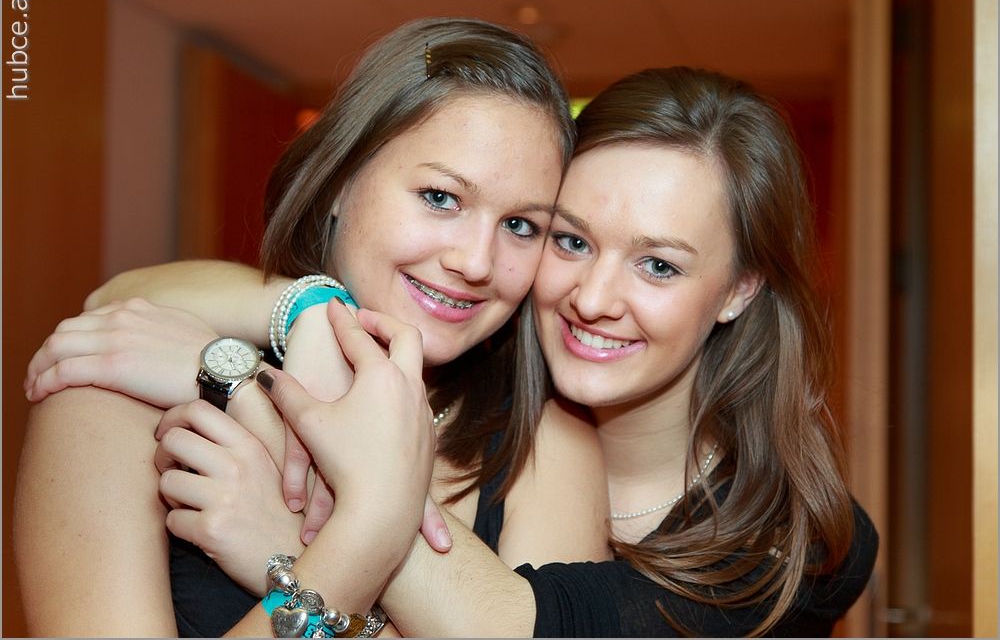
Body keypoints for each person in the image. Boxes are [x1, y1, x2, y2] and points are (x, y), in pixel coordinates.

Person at [90, 66, 877, 637]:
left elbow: (514, 624)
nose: (594, 298)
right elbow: (121, 297)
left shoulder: (795, 541)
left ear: (739, 289)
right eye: (569, 240)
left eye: (659, 265)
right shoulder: (488, 397)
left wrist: (293, 538)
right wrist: (308, 311)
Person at [14, 17, 611, 637]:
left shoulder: (547, 445)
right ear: (340, 184)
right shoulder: (121, 387)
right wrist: (353, 543)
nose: (477, 262)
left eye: (521, 225)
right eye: (440, 197)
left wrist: (286, 557)